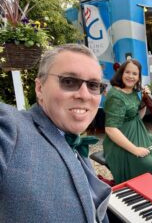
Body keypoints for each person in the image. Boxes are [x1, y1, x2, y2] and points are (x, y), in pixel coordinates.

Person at [0, 44, 111, 222]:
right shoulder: (12, 128)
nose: (84, 95)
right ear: (39, 88)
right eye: (69, 81)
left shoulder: (72, 140)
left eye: (93, 85)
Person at [103, 59, 152, 186]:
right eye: (127, 72)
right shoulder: (115, 96)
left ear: (139, 77)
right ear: (121, 73)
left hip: (138, 133)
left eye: (135, 74)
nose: (131, 76)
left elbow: (137, 116)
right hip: (121, 140)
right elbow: (110, 129)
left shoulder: (132, 92)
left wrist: (145, 100)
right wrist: (135, 150)